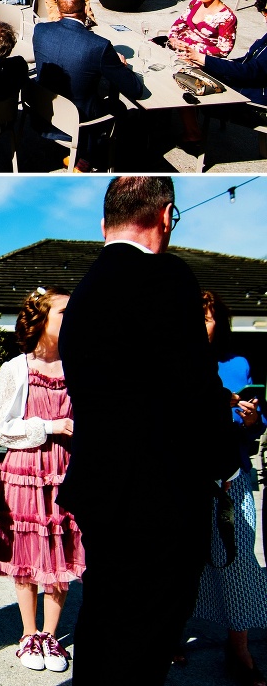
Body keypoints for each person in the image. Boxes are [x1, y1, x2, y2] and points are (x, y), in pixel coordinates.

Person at [57, 177, 238, 686]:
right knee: (146, 642)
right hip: (157, 497)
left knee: (104, 624)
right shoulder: (167, 277)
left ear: (104, 224)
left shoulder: (84, 293)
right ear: (165, 216)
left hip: (103, 490)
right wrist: (225, 460)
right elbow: (194, 386)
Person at [0, 287, 85, 674]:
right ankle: (28, 634)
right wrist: (51, 425)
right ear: (41, 319)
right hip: (26, 471)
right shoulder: (17, 368)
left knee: (62, 549)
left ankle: (50, 635)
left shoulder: (80, 366)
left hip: (67, 470)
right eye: (63, 312)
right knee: (27, 553)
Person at [190, 290, 267, 686]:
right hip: (181, 478)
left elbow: (256, 418)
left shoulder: (236, 364)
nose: (202, 323)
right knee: (179, 563)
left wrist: (253, 419)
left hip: (230, 476)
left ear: (219, 322)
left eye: (207, 316)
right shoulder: (170, 364)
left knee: (237, 561)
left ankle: (239, 650)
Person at [33, 0, 142, 168]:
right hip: (78, 122)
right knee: (123, 108)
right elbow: (135, 90)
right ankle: (97, 156)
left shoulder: (41, 30)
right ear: (84, 9)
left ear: (59, 11)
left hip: (43, 112)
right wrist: (121, 66)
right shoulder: (98, 46)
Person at [176, 0, 267, 104]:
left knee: (187, 89)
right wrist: (205, 63)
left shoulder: (226, 16)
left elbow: (250, 71)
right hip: (243, 83)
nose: (264, 19)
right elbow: (245, 61)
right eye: (264, 13)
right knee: (185, 76)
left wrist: (202, 58)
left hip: (251, 96)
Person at [168, 0, 236, 58]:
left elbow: (224, 50)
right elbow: (179, 23)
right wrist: (173, 38)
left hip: (198, 57)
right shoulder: (196, 2)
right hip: (176, 47)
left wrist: (191, 47)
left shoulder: (226, 17)